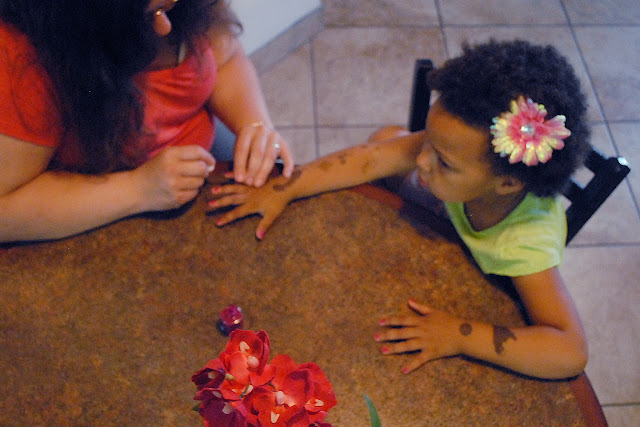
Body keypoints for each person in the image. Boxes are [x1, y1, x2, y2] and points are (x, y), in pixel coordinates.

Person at [209, 39, 591, 380]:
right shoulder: (463, 152)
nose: (422, 160)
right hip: (448, 212)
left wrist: (459, 336)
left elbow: (570, 351)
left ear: (507, 184)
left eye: (443, 161)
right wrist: (283, 188)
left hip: (480, 275)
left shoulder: (523, 246)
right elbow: (371, 159)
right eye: (427, 141)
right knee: (385, 142)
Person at [0, 0, 294, 243]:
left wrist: (254, 123)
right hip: (91, 202)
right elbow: (5, 210)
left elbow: (226, 58)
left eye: (169, 9)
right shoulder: (20, 56)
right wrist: (137, 189)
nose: (165, 28)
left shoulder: (188, 9)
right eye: (148, 15)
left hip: (197, 167)